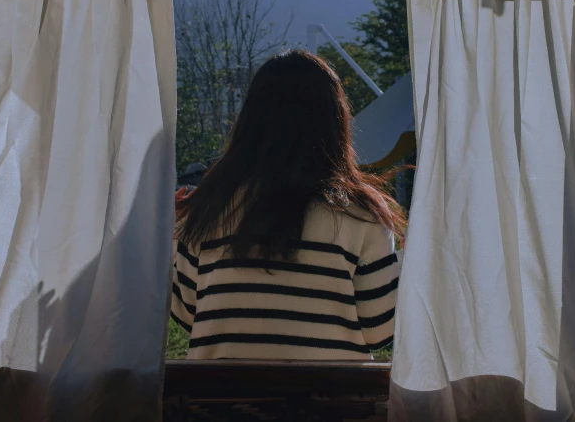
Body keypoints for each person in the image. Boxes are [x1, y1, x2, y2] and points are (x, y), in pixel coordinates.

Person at [172, 49, 404, 360]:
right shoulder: (362, 214)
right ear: (335, 122)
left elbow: (188, 314)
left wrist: (174, 235)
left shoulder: (209, 207)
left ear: (249, 123)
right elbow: (379, 330)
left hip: (220, 406)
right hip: (331, 406)